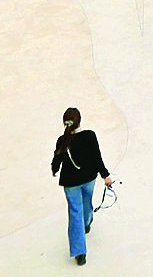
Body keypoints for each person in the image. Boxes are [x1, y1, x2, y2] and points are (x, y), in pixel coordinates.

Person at [49, 109, 112, 266]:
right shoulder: (90, 136)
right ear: (80, 121)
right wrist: (105, 176)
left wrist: (54, 169)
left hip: (71, 183)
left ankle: (80, 252)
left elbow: (57, 159)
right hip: (89, 178)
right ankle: (87, 222)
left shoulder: (62, 140)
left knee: (75, 212)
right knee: (86, 202)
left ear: (65, 123)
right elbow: (97, 158)